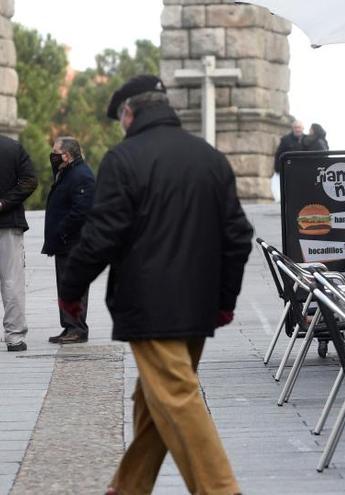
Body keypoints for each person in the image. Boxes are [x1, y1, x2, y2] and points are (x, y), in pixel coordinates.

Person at [58, 75, 253, 494]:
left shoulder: (124, 159)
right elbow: (237, 236)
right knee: (155, 399)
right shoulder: (210, 158)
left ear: (130, 112)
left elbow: (101, 235)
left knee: (176, 398)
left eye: (121, 118)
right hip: (198, 307)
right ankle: (129, 485)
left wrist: (70, 288)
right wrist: (224, 300)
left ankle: (221, 489)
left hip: (149, 306)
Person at [43, 137, 95, 344]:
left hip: (75, 243)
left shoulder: (81, 175)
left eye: (55, 152)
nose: (52, 156)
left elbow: (82, 210)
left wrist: (63, 230)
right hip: (65, 243)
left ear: (66, 155)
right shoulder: (66, 173)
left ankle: (78, 329)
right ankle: (69, 326)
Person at [0, 135, 36, 352]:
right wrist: (4, 202)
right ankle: (14, 337)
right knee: (12, 282)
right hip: (8, 222)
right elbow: (30, 181)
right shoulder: (12, 147)